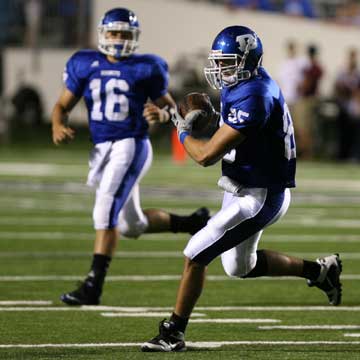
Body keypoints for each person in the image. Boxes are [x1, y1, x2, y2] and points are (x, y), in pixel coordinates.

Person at [141, 25, 342, 352]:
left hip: (260, 196)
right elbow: (230, 123)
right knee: (239, 267)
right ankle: (320, 271)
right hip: (241, 187)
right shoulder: (246, 85)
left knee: (195, 253)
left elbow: (205, 155)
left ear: (250, 60)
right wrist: (173, 114)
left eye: (228, 62)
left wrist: (179, 129)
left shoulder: (256, 94)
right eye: (219, 62)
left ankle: (172, 332)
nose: (220, 69)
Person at [51, 8, 210, 306]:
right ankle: (193, 222)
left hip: (130, 144)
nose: (119, 39)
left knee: (104, 209)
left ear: (134, 37)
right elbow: (62, 105)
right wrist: (58, 123)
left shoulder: (146, 67)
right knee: (130, 225)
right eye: (114, 33)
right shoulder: (84, 64)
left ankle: (93, 285)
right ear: (103, 34)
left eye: (125, 34)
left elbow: (171, 110)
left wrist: (162, 113)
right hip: (101, 149)